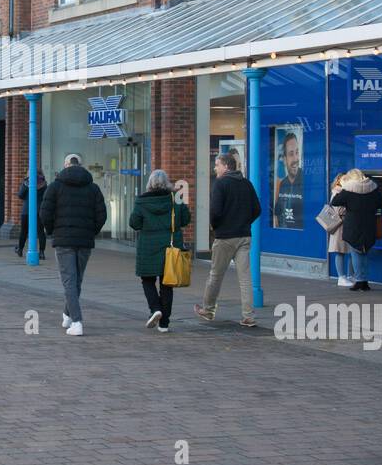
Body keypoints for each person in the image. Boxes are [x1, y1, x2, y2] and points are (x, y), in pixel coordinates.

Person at [39, 153, 107, 337]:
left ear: (66, 165)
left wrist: (53, 230)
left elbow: (45, 213)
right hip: (84, 240)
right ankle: (67, 314)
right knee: (77, 280)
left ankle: (77, 321)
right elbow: (102, 215)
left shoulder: (55, 187)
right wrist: (91, 231)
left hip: (64, 240)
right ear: (81, 165)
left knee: (69, 281)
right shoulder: (93, 188)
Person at [195, 151, 262, 327]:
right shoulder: (247, 184)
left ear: (225, 166)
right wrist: (245, 222)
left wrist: (216, 227)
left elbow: (215, 212)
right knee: (245, 278)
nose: (215, 168)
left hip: (225, 237)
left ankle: (208, 310)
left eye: (217, 164)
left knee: (216, 275)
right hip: (244, 236)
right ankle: (248, 316)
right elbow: (257, 209)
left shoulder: (220, 184)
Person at [129, 169, 190, 333]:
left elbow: (134, 223)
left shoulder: (141, 202)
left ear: (149, 184)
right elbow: (185, 220)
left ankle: (155, 308)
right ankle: (164, 323)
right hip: (171, 247)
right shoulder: (175, 199)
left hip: (148, 246)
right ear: (167, 183)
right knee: (166, 284)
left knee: (147, 280)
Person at [329, 168, 381, 292]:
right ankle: (364, 281)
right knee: (365, 252)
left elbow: (335, 202)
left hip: (353, 226)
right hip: (369, 225)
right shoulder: (372, 188)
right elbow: (381, 203)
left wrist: (339, 189)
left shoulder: (348, 190)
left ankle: (359, 281)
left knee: (356, 252)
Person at [273, 131, 304, 229]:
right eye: (291, 154)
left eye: (297, 152)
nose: (296, 158)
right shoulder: (282, 184)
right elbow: (277, 212)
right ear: (285, 159)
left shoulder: (306, 181)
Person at [15, 169, 47, 259]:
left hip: (27, 210)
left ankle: (20, 249)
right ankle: (41, 252)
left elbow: (20, 195)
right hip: (39, 210)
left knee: (24, 231)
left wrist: (25, 184)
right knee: (41, 231)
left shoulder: (26, 182)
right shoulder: (44, 183)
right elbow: (46, 197)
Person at [328, 173, 352, 288]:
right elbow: (338, 211)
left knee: (349, 251)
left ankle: (348, 275)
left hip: (344, 225)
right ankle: (341, 277)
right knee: (340, 251)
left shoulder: (342, 191)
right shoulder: (337, 191)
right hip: (339, 226)